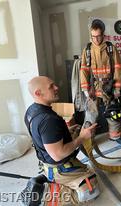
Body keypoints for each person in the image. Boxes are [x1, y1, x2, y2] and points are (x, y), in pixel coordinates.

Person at [24, 76, 99, 204]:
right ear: (38, 93)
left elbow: (42, 138)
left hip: (47, 162)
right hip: (59, 167)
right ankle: (45, 196)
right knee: (91, 189)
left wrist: (66, 133)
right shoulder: (48, 120)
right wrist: (82, 137)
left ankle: (52, 179)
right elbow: (58, 154)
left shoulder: (32, 110)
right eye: (51, 86)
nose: (56, 88)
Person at [80, 19, 121, 145]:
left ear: (103, 35)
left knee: (113, 111)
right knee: (90, 115)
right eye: (93, 37)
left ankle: (115, 136)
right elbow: (83, 69)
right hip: (93, 88)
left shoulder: (110, 48)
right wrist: (85, 89)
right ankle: (87, 140)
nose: (96, 39)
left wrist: (117, 88)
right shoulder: (87, 50)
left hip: (108, 86)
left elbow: (117, 68)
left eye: (98, 36)